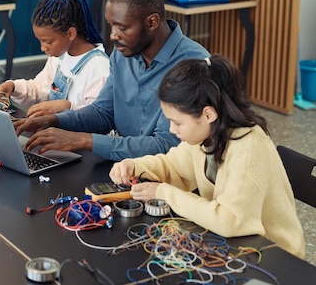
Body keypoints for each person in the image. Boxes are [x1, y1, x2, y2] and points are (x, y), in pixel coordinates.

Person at [109, 55, 305, 258]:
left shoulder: (249, 147)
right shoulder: (207, 134)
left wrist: (163, 193)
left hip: (275, 256)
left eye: (177, 122)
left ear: (208, 114)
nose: (171, 129)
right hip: (236, 246)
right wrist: (134, 166)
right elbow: (173, 167)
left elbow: (230, 220)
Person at [14, 0, 209, 161]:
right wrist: (53, 120)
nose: (113, 36)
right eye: (111, 26)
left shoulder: (193, 64)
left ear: (152, 22)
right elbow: (103, 112)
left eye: (121, 28)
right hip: (124, 167)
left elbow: (165, 146)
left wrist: (84, 140)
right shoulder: (124, 53)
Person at [0, 0, 109, 117]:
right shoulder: (59, 55)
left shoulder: (99, 68)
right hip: (57, 131)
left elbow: (99, 118)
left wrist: (68, 107)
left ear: (71, 33)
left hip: (78, 136)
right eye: (40, 41)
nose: (43, 48)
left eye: (48, 42)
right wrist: (11, 86)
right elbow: (40, 89)